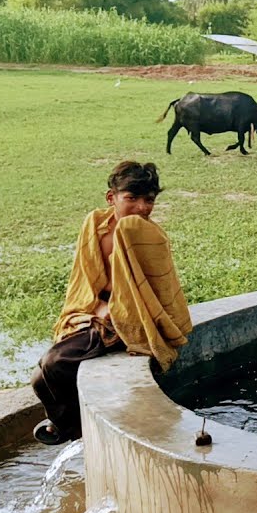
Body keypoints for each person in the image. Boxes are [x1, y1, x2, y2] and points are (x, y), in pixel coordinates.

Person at [31, 161, 192, 445]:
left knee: (55, 363)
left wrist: (114, 312)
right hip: (95, 310)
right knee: (40, 379)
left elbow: (158, 293)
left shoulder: (148, 236)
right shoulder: (96, 224)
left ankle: (79, 430)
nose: (142, 207)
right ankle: (72, 425)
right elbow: (83, 277)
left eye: (149, 200)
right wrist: (93, 308)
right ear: (111, 198)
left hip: (131, 319)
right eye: (132, 198)